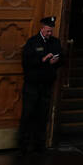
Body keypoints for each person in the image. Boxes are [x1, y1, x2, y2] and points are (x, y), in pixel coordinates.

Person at [17, 15, 63, 154]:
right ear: (42, 28)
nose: (50, 33)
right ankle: (23, 146)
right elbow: (26, 61)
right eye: (48, 31)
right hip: (32, 85)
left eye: (51, 31)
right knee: (28, 114)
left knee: (43, 115)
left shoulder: (55, 42)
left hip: (46, 85)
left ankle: (39, 144)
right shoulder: (33, 42)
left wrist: (56, 61)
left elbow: (62, 58)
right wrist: (42, 59)